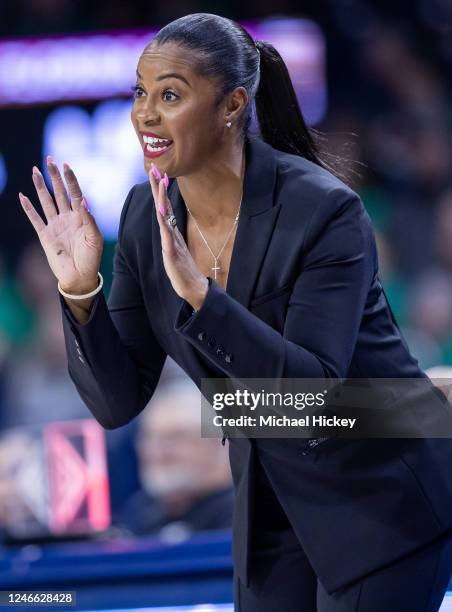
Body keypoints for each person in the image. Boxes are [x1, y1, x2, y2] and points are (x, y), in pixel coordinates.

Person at [19, 13, 452, 612]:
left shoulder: (324, 211)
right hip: (272, 512)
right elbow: (116, 404)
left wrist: (204, 300)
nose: (144, 114)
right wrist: (80, 293)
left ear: (232, 105)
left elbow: (310, 400)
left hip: (378, 500)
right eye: (140, 93)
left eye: (170, 95)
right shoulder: (145, 216)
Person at [116, 378, 233, 540]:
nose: (157, 452)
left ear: (219, 444)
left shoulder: (246, 516)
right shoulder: (138, 515)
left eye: (175, 438)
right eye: (149, 437)